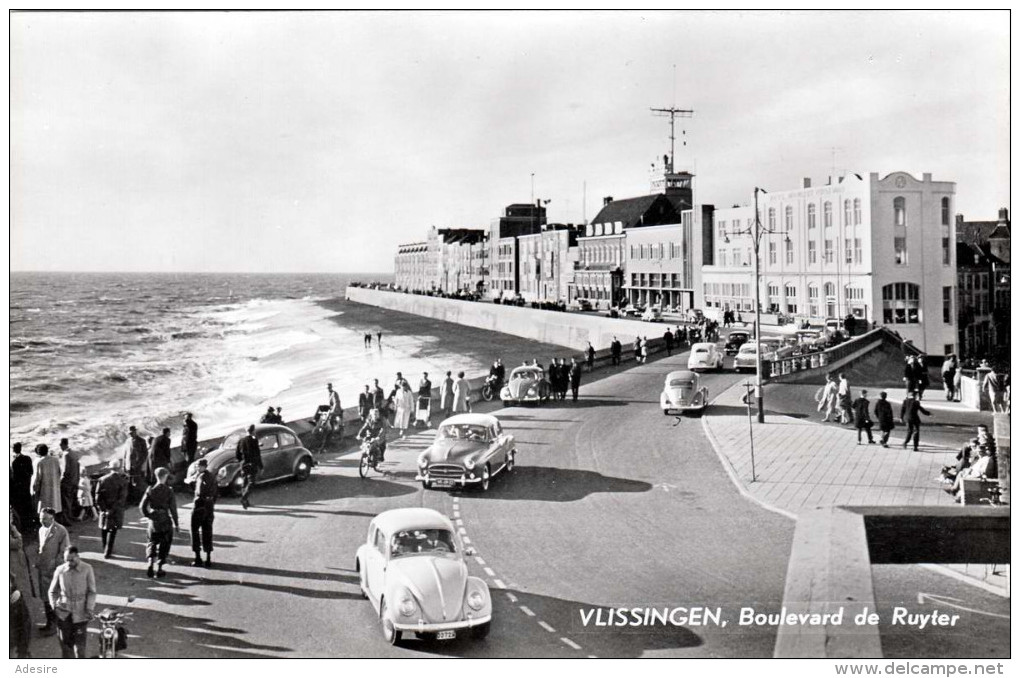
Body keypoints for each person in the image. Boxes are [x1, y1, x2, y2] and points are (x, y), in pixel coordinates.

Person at [48, 545, 96, 659]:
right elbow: (52, 591)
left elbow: (92, 591)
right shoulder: (60, 570)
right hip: (64, 614)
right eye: (66, 560)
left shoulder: (87, 568)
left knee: (80, 649)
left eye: (72, 559)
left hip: (81, 614)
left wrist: (89, 608)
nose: (69, 563)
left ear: (78, 556)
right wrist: (54, 606)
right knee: (66, 647)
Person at [36, 507, 70, 636]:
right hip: (43, 570)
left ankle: (55, 624)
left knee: (53, 597)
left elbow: (64, 552)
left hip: (53, 571)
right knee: (45, 597)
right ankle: (49, 623)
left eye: (44, 519)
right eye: (40, 519)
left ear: (52, 518)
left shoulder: (60, 530)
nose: (42, 521)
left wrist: (55, 566)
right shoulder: (41, 529)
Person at [140, 467, 179, 578]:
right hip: (165, 520)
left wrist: (148, 515)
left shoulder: (150, 489)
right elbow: (173, 509)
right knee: (164, 543)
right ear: (165, 476)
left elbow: (142, 506)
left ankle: (150, 563)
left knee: (151, 541)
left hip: (154, 521)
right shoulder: (169, 490)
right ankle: (160, 568)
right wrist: (176, 524)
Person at [95, 459, 129, 559]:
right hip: (116, 509)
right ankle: (108, 551)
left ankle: (104, 547)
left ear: (110, 468)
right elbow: (122, 498)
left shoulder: (102, 479)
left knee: (104, 528)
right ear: (119, 468)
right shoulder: (123, 481)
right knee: (112, 530)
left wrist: (103, 509)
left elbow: (97, 497)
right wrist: (113, 509)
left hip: (104, 508)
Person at [190, 458, 217, 568]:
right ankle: (208, 557)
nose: (197, 468)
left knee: (194, 530)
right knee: (207, 530)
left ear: (202, 467)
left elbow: (199, 491)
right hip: (209, 505)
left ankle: (197, 557)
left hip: (199, 505)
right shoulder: (211, 476)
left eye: (198, 466)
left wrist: (193, 483)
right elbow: (216, 493)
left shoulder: (200, 477)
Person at [32, 444, 63, 522]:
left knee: (44, 508)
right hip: (54, 487)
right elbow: (59, 473)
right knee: (54, 506)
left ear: (38, 452)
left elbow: (37, 478)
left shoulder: (40, 462)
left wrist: (34, 490)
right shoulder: (55, 460)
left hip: (44, 489)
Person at [234, 425, 262, 510]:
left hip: (243, 465)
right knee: (251, 482)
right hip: (252, 464)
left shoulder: (240, 441)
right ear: (253, 431)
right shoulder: (254, 441)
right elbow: (257, 454)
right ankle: (244, 498)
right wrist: (260, 465)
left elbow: (237, 455)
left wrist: (242, 462)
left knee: (244, 483)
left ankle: (246, 501)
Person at [11, 442, 35, 532]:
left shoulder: (14, 462)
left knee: (20, 508)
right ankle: (29, 525)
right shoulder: (28, 458)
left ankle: (23, 527)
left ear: (14, 450)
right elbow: (31, 472)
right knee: (27, 506)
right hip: (26, 486)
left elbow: (14, 478)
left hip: (18, 489)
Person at [123, 425, 149, 502]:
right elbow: (125, 454)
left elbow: (145, 454)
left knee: (139, 483)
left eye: (132, 432)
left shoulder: (142, 441)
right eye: (129, 433)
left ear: (135, 432)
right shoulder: (127, 441)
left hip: (138, 466)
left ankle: (141, 499)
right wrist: (124, 465)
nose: (131, 434)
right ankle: (134, 499)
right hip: (129, 465)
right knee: (130, 483)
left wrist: (139, 464)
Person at [58, 439, 81, 523]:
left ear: (63, 444)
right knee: (71, 500)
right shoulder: (74, 453)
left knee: (65, 500)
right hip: (75, 480)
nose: (60, 447)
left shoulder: (66, 454)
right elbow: (78, 467)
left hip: (68, 482)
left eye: (60, 445)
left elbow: (65, 470)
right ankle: (70, 517)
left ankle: (67, 519)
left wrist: (61, 480)